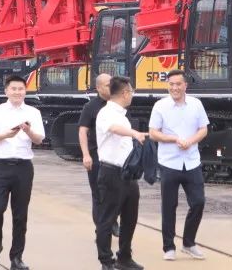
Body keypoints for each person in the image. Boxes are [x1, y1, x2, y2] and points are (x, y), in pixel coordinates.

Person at [0, 74, 44, 270]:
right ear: (7, 91)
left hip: (23, 167)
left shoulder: (33, 112)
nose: (17, 92)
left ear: (25, 91)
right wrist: (5, 135)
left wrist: (28, 131)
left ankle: (16, 257)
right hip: (1, 166)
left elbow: (39, 139)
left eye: (21, 89)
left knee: (20, 215)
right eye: (13, 89)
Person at [149, 69, 209, 261]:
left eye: (178, 84)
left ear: (185, 85)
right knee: (169, 206)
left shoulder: (196, 104)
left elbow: (203, 129)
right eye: (171, 84)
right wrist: (173, 139)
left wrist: (190, 141)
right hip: (169, 163)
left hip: (191, 162)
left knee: (198, 202)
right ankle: (169, 247)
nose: (174, 88)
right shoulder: (160, 106)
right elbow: (153, 133)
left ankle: (189, 243)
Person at [95, 76, 147, 270]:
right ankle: (106, 261)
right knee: (107, 219)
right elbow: (114, 128)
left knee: (130, 218)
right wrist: (134, 133)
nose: (132, 95)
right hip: (111, 173)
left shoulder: (123, 115)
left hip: (128, 174)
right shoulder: (106, 112)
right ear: (125, 93)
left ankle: (124, 257)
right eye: (131, 91)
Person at [79, 74, 113, 231]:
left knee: (114, 193)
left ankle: (112, 221)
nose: (111, 87)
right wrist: (86, 155)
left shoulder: (119, 105)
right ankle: (101, 229)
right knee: (98, 193)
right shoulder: (90, 107)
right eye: (107, 85)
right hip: (96, 157)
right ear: (98, 88)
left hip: (115, 158)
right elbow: (82, 131)